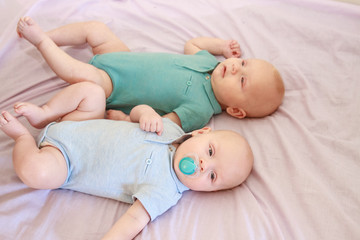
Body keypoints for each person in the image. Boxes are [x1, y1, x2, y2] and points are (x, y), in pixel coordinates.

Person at [0, 80, 254, 240]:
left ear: (209, 191)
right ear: (201, 132)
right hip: (80, 122)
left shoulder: (165, 191)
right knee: (92, 92)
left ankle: (22, 138)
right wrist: (145, 112)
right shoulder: (169, 128)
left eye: (212, 176)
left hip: (64, 161)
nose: (202, 165)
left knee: (36, 173)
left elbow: (133, 221)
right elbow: (135, 113)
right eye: (210, 152)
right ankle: (44, 114)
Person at [16, 16, 285, 133]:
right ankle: (49, 37)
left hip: (115, 87)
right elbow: (193, 44)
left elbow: (163, 124)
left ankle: (42, 47)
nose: (237, 67)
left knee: (83, 75)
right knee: (96, 29)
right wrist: (222, 47)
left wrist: (126, 119)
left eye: (242, 80)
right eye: (244, 63)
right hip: (124, 57)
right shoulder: (208, 63)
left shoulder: (200, 110)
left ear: (236, 110)